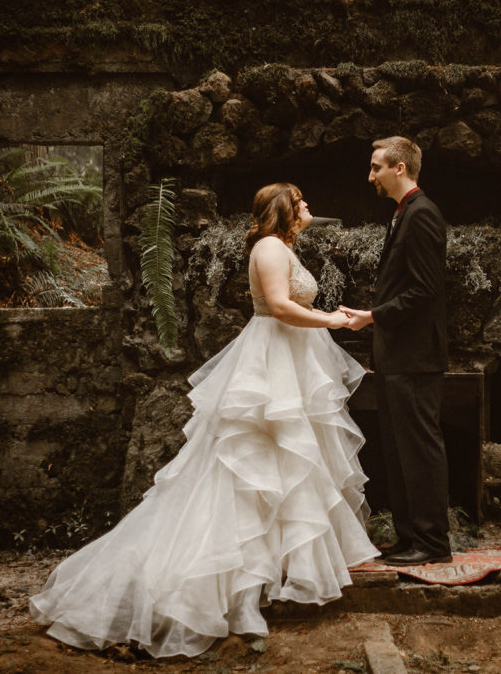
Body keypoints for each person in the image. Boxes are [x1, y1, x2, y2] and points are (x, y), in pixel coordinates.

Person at [30, 183, 379, 658]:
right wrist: (334, 322)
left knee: (281, 471)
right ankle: (228, 595)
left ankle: (260, 584)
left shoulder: (280, 246)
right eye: (303, 204)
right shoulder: (271, 248)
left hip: (288, 358)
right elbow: (278, 306)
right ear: (286, 212)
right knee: (245, 472)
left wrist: (327, 318)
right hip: (271, 361)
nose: (310, 210)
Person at [340, 136, 452, 567]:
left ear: (399, 168)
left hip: (416, 356)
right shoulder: (403, 214)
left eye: (376, 168)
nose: (371, 176)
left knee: (420, 449)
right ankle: (409, 539)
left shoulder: (422, 215)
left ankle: (432, 542)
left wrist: (373, 316)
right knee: (400, 449)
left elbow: (425, 291)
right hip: (398, 355)